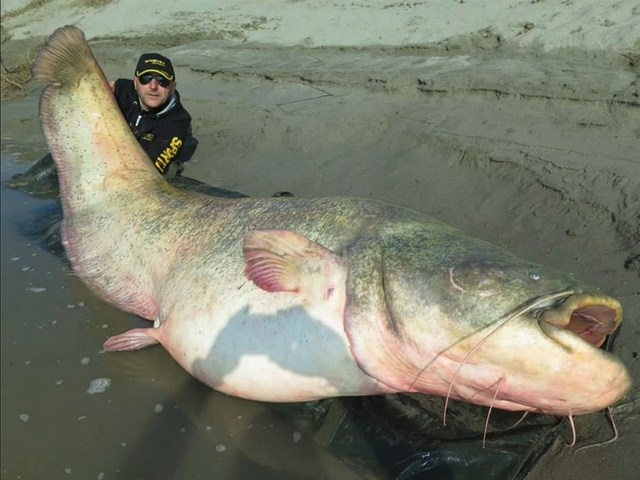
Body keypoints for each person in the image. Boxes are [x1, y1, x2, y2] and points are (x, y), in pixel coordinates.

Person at [109, 53, 198, 176]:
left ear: (173, 87)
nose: (153, 86)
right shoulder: (119, 92)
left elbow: (149, 172)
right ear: (135, 82)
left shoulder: (178, 122)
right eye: (146, 78)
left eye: (162, 80)